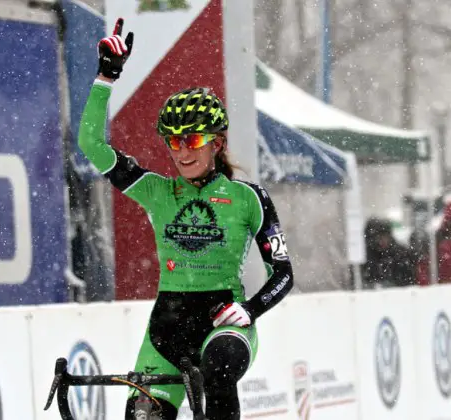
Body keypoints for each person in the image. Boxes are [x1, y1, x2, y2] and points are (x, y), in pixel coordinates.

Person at [78, 18, 294, 420]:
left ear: (217, 143)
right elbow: (90, 144)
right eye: (174, 141)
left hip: (224, 323)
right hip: (167, 327)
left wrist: (250, 309)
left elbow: (282, 272)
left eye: (192, 140)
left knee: (219, 369)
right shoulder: (157, 191)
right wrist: (106, 77)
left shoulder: (247, 197)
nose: (182, 152)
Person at [362, 218, 415, 288]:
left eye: (385, 237)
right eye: (378, 238)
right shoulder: (365, 257)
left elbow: (407, 280)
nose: (382, 241)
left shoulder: (400, 253)